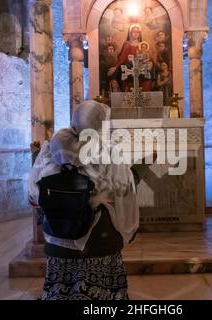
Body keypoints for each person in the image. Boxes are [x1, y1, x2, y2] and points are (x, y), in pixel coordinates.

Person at [28, 100, 140, 300]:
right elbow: (125, 191)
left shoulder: (49, 148)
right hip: (99, 241)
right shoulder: (109, 152)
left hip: (56, 236)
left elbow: (33, 194)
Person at [107, 24, 145, 92]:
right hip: (129, 68)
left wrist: (150, 62)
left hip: (140, 67)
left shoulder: (142, 45)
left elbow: (146, 56)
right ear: (130, 33)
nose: (136, 34)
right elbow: (122, 58)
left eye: (137, 32)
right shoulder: (127, 44)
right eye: (134, 32)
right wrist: (115, 67)